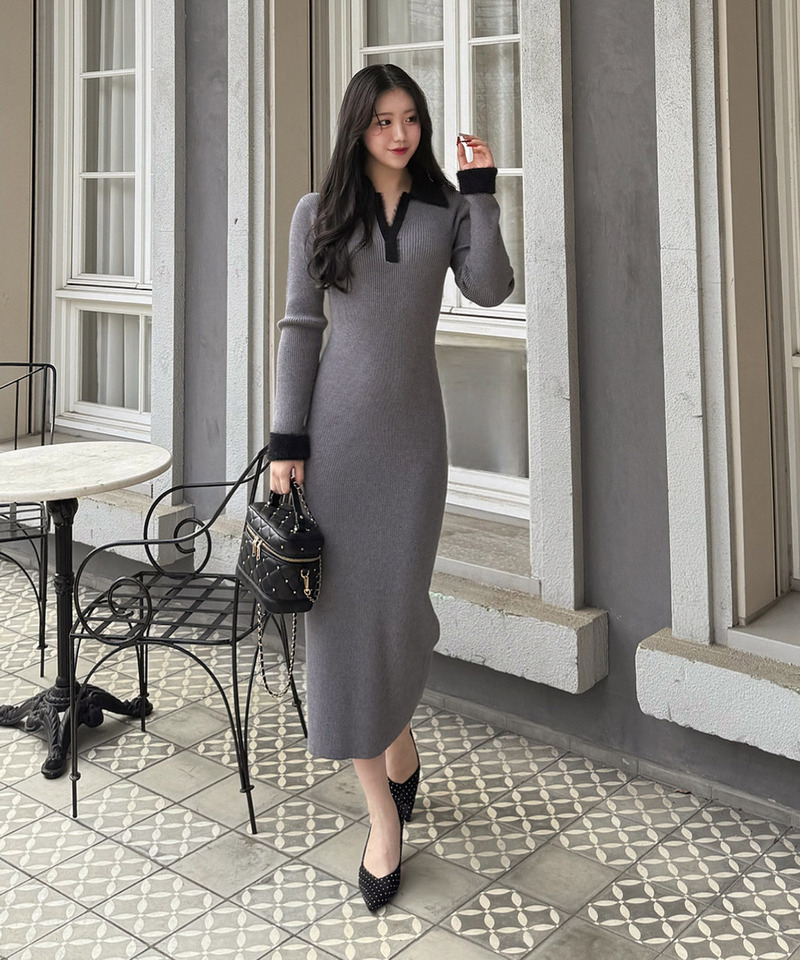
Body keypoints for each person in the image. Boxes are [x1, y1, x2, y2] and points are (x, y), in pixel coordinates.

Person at [268, 63, 514, 910]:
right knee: (344, 626)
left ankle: (396, 731)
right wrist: (286, 441)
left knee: (397, 611)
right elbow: (300, 327)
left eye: (410, 118)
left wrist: (483, 191)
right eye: (382, 120)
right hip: (334, 444)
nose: (400, 133)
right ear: (357, 128)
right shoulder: (318, 213)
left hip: (413, 448)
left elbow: (491, 288)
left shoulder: (448, 210)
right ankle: (382, 817)